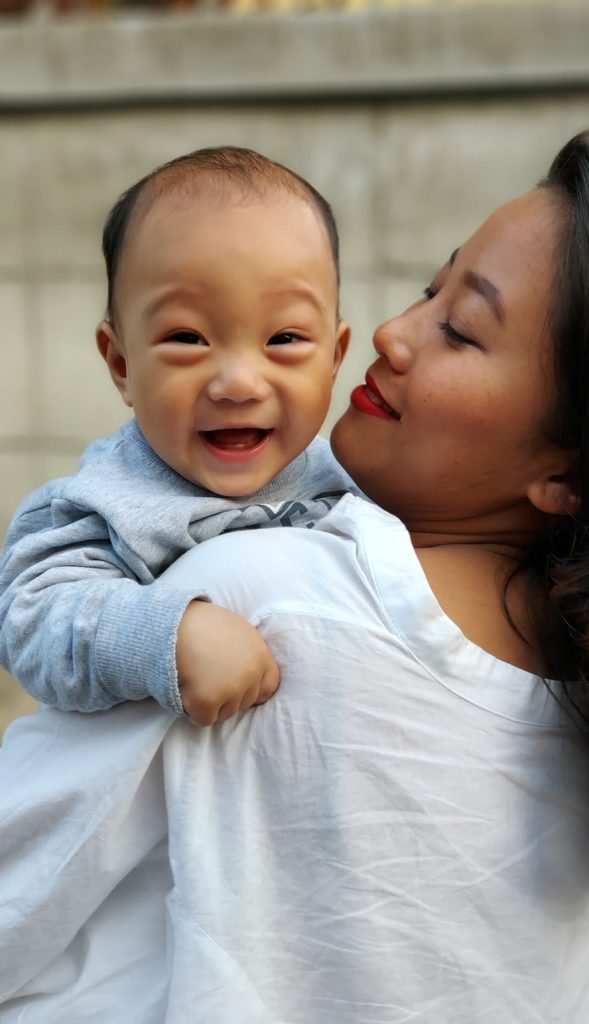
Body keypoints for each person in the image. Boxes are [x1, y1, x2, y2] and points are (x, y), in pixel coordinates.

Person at [2, 131, 589, 1022]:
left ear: (566, 476)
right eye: (430, 290)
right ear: (118, 360)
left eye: (460, 328)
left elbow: (24, 875)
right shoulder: (562, 682)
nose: (393, 334)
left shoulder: (267, 594)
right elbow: (37, 603)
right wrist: (151, 635)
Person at [0, 146, 351, 725]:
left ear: (335, 358)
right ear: (121, 364)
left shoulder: (350, 479)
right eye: (188, 338)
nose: (238, 382)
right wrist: (166, 636)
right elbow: (31, 616)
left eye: (284, 338)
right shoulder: (105, 502)